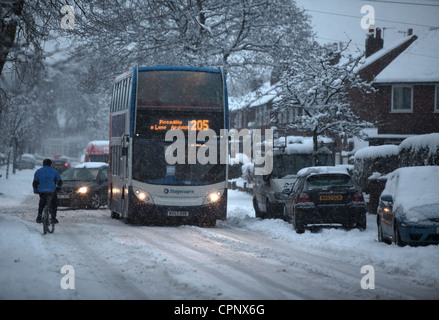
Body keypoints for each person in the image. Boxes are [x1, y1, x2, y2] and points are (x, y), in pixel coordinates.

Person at [32, 158, 63, 224]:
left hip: (42, 191)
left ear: (43, 164)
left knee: (42, 203)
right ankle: (53, 218)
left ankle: (39, 217)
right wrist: (58, 188)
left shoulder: (38, 171)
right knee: (54, 203)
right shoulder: (54, 171)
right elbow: (59, 181)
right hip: (51, 190)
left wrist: (35, 190)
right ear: (50, 164)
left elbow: (35, 182)